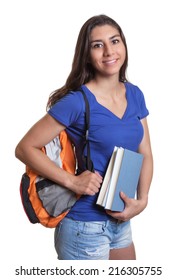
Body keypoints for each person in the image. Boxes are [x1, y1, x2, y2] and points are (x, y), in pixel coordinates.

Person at [15, 14, 153, 260]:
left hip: (121, 221)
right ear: (86, 54)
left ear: (124, 45)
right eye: (97, 45)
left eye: (115, 41)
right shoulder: (77, 102)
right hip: (83, 227)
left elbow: (146, 152)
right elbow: (25, 148)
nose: (109, 51)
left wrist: (142, 200)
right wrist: (73, 181)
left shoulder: (135, 94)